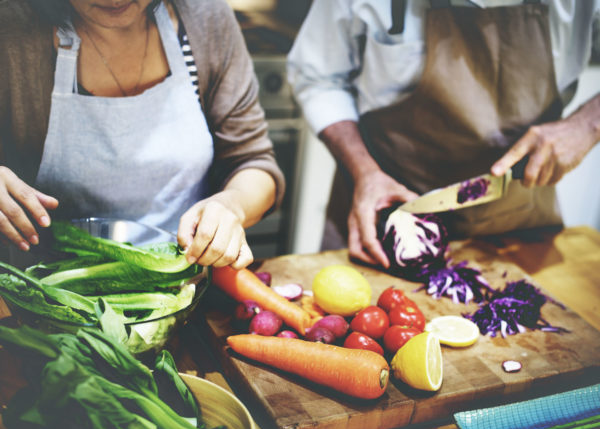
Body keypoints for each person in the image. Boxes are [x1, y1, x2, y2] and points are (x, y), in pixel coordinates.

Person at [287, 0, 600, 269]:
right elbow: (318, 78)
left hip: (516, 223)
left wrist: (588, 124)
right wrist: (365, 172)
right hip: (381, 216)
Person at [0, 0, 285, 269]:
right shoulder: (13, 29)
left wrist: (232, 204)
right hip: (48, 295)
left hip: (185, 284)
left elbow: (254, 163)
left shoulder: (204, 18)